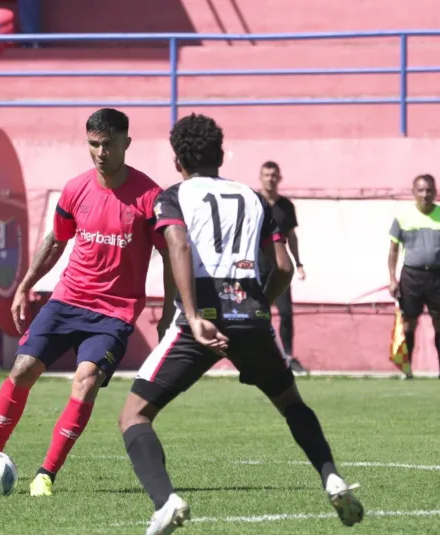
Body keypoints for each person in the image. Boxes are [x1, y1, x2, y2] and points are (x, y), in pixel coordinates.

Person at [118, 114, 363, 535]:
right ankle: (332, 478)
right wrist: (257, 306)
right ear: (220, 155)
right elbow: (283, 267)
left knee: (134, 416)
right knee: (292, 404)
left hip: (200, 321)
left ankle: (166, 501)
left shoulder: (174, 196)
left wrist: (193, 315)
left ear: (177, 160)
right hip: (252, 318)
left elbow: (177, 246)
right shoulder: (253, 198)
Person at [0, 108, 175, 498]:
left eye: (108, 144)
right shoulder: (75, 188)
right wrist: (25, 285)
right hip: (67, 299)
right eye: (94, 144)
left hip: (114, 311)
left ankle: (46, 474)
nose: (100, 152)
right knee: (22, 370)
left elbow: (170, 255)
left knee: (86, 381)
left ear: (126, 143)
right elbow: (56, 240)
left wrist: (167, 313)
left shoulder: (150, 197)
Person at [389, 174, 440, 380]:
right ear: (413, 193)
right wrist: (392, 279)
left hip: (439, 276)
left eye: (429, 190)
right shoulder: (402, 217)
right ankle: (407, 370)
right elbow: (393, 250)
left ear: (435, 192)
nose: (425, 195)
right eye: (421, 190)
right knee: (408, 323)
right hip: (412, 276)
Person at [258, 161, 308, 373]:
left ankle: (287, 356)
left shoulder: (286, 207)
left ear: (279, 178)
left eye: (273, 175)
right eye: (266, 175)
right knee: (257, 313)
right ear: (261, 178)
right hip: (256, 267)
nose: (270, 179)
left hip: (280, 268)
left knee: (286, 313)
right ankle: (258, 355)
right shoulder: (253, 202)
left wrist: (298, 263)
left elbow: (292, 237)